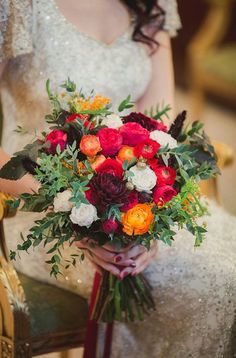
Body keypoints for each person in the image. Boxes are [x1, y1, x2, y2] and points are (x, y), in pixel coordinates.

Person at [0, 0, 236, 356]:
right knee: (210, 283)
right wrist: (74, 210)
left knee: (228, 270)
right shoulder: (19, 6)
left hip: (134, 202)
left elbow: (160, 130)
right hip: (40, 208)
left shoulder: (153, 4)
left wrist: (147, 224)